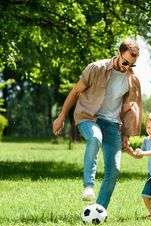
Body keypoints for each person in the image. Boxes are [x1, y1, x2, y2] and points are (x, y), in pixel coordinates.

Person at [52, 38, 142, 209]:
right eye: (125, 62)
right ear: (118, 53)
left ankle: (99, 210)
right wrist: (61, 117)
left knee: (114, 170)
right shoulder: (96, 68)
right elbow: (75, 92)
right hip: (89, 117)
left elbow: (131, 108)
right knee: (95, 137)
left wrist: (127, 134)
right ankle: (88, 186)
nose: (127, 67)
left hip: (112, 124)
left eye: (132, 64)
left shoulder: (132, 80)